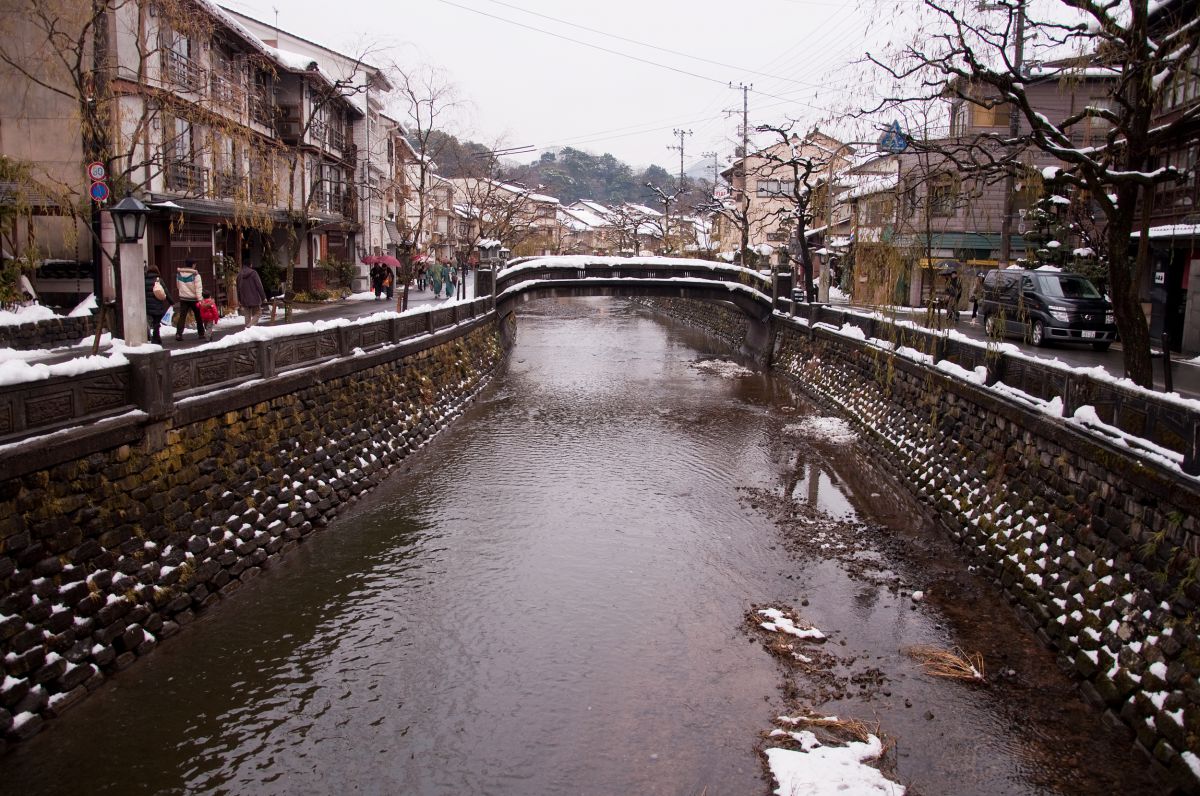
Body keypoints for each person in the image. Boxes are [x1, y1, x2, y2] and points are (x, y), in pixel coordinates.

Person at [174, 258, 205, 340]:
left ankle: (178, 334)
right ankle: (201, 333)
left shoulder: (179, 274)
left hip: (183, 298)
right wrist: (200, 300)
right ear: (193, 265)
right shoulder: (196, 275)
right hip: (194, 299)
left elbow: (178, 286)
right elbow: (198, 289)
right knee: (198, 316)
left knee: (182, 316)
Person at [236, 261, 267, 328]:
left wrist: (239, 300)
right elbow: (259, 286)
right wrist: (263, 297)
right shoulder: (253, 273)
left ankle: (247, 332)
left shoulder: (239, 275)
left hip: (244, 299)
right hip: (254, 298)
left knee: (247, 315)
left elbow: (238, 288)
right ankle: (249, 326)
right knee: (258, 313)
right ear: (250, 265)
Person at [144, 265, 169, 344]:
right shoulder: (159, 280)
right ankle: (156, 337)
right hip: (158, 305)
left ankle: (156, 338)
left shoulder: (144, 280)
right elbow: (166, 292)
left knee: (151, 322)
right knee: (156, 322)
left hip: (148, 305)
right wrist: (171, 302)